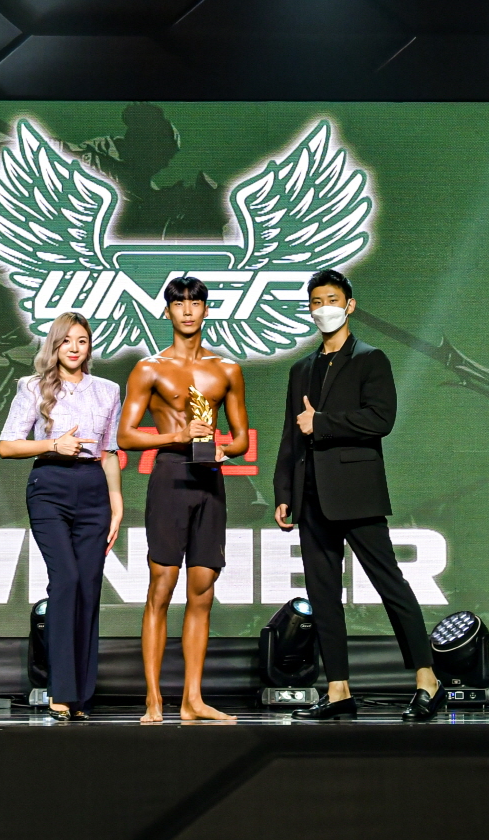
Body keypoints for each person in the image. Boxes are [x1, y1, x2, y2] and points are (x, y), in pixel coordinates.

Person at [273, 268, 445, 721]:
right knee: (323, 594)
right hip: (310, 495)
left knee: (390, 584)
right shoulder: (301, 369)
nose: (323, 309)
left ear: (349, 305)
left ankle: (427, 680)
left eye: (331, 300)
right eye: (315, 302)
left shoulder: (371, 359)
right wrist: (284, 491)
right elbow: (290, 436)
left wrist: (322, 423)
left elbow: (380, 419)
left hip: (356, 492)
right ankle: (338, 689)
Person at [117, 276, 250, 723]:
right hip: (171, 476)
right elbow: (125, 435)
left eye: (195, 303)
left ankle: (193, 700)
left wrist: (223, 449)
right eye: (179, 304)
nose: (188, 311)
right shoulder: (149, 369)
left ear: (206, 310)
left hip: (209, 480)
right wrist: (177, 437)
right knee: (162, 585)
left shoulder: (227, 370)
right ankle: (154, 699)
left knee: (203, 590)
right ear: (168, 311)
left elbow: (240, 438)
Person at [0, 312, 123, 721]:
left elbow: (109, 452)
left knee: (88, 587)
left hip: (93, 490)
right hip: (50, 486)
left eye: (82, 341)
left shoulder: (107, 390)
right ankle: (61, 690)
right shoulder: (33, 387)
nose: (74, 348)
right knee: (66, 580)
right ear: (54, 345)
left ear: (89, 347)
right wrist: (52, 444)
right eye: (66, 340)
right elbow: (7, 446)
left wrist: (116, 501)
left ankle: (80, 696)